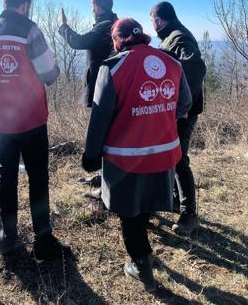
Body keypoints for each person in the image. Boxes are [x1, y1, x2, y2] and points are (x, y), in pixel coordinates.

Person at [82, 18, 192, 291]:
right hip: (164, 154)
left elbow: (100, 118)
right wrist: (161, 119)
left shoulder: (113, 67)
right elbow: (185, 102)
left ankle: (142, 267)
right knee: (144, 206)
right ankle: (144, 258)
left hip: (125, 158)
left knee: (129, 214)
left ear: (118, 40)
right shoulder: (171, 63)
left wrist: (91, 156)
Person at [0, 0, 63, 260]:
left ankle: (9, 236)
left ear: (5, 3)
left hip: (0, 118)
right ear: (24, 5)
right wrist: (55, 65)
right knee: (37, 176)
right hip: (30, 117)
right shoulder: (30, 30)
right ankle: (43, 241)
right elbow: (48, 73)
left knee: (7, 175)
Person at [150, 1, 206, 234]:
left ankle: (189, 215)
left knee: (179, 158)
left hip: (184, 112)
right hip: (178, 110)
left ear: (159, 19)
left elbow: (196, 69)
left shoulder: (179, 37)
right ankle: (173, 200)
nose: (152, 25)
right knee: (171, 156)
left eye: (152, 20)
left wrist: (180, 106)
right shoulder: (171, 35)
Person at [58, 0, 117, 107]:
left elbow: (78, 42)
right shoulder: (115, 24)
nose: (91, 9)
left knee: (99, 124)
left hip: (102, 86)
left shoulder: (105, 26)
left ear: (97, 7)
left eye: (92, 6)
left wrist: (63, 25)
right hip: (112, 83)